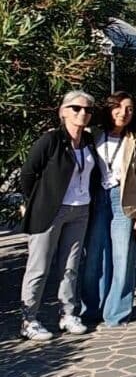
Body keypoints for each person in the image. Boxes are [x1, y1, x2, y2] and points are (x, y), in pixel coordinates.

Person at [19, 91, 97, 341]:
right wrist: (37, 202)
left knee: (70, 266)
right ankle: (29, 318)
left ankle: (68, 313)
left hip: (80, 209)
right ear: (63, 111)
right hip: (51, 210)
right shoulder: (51, 140)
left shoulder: (88, 141)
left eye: (87, 110)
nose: (82, 113)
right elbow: (28, 174)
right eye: (75, 108)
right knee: (39, 266)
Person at [81, 91, 136, 328]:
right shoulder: (92, 136)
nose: (123, 113)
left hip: (124, 201)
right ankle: (91, 308)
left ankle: (117, 312)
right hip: (95, 200)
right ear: (109, 109)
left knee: (123, 257)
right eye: (118, 107)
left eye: (130, 108)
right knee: (94, 256)